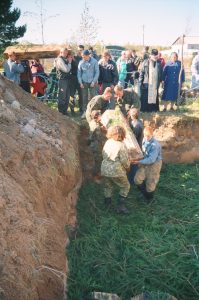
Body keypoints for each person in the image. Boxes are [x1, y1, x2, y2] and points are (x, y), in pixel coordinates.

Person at [101, 125, 130, 214]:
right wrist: (128, 168)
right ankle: (121, 207)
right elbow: (124, 161)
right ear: (123, 134)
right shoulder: (121, 145)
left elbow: (103, 154)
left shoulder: (108, 142)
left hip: (104, 169)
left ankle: (107, 204)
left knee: (108, 186)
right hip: (117, 171)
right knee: (125, 186)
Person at [133, 126, 162, 203]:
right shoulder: (144, 139)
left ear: (152, 134)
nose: (146, 137)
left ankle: (149, 199)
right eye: (145, 135)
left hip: (154, 163)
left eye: (148, 136)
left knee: (151, 182)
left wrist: (139, 162)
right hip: (145, 160)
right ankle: (144, 193)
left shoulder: (155, 145)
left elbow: (151, 159)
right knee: (137, 179)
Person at [77, 49, 99, 119]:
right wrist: (80, 82)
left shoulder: (94, 61)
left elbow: (97, 72)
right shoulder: (81, 62)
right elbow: (79, 73)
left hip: (92, 82)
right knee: (84, 97)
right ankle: (85, 112)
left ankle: (93, 112)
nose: (83, 58)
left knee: (93, 97)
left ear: (88, 55)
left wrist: (93, 81)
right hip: (84, 82)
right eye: (82, 56)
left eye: (84, 56)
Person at [127, 108, 144, 184]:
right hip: (136, 145)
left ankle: (132, 180)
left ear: (132, 115)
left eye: (129, 113)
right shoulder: (135, 122)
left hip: (136, 146)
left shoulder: (137, 125)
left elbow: (134, 137)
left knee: (134, 162)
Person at [55, 48, 72, 115]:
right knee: (62, 96)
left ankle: (65, 111)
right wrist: (70, 62)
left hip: (67, 80)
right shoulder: (59, 60)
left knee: (67, 96)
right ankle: (61, 112)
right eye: (64, 53)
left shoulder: (64, 59)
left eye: (66, 53)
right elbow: (66, 69)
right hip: (62, 80)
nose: (65, 54)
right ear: (61, 52)